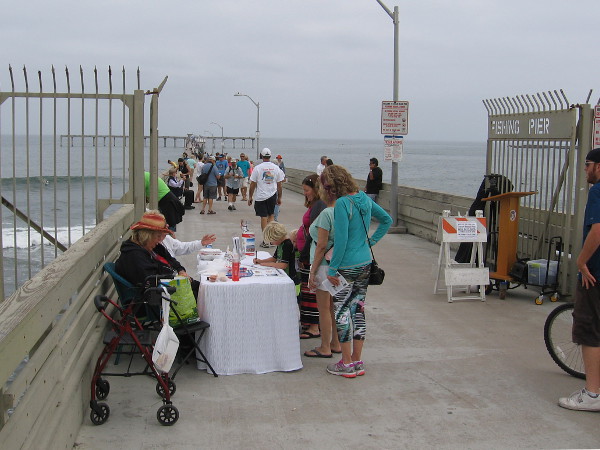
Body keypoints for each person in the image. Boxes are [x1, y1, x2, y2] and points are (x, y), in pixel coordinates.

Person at [321, 165, 392, 377]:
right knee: (358, 310)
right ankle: (358, 361)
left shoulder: (343, 203)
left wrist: (332, 269)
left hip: (346, 266)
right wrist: (371, 241)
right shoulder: (362, 197)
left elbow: (341, 241)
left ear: (333, 185)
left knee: (341, 311)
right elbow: (387, 220)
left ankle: (346, 363)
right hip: (365, 262)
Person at [558, 147, 600, 411]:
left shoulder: (597, 192)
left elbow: (597, 230)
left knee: (589, 331)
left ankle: (592, 395)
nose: (585, 170)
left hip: (594, 275)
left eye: (587, 165)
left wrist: (582, 261)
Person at [115, 211, 199, 318]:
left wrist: (181, 271)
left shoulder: (152, 246)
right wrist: (177, 279)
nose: (160, 240)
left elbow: (172, 260)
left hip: (165, 288)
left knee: (204, 288)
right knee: (203, 295)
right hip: (153, 301)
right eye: (158, 236)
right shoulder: (134, 256)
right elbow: (150, 282)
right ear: (147, 236)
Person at [305, 190, 342, 358]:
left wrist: (312, 272)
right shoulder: (345, 212)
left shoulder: (327, 213)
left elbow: (321, 245)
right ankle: (336, 343)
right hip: (336, 264)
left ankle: (325, 346)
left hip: (323, 265)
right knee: (334, 307)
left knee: (324, 308)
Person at [297, 173, 327, 340]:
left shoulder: (319, 205)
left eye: (307, 190)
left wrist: (303, 255)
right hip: (308, 252)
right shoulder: (316, 204)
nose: (305, 193)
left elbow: (314, 234)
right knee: (308, 291)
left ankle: (314, 327)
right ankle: (312, 324)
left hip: (311, 254)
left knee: (311, 291)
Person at [248, 148, 284, 248]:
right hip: (272, 195)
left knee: (263, 217)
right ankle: (271, 239)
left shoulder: (258, 168)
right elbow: (279, 184)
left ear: (261, 155)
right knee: (271, 216)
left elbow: (253, 184)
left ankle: (265, 240)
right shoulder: (276, 168)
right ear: (270, 156)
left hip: (261, 196)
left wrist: (250, 196)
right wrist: (279, 197)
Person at [274, 154, 286, 221]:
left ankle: (272, 217)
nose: (279, 159)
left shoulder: (281, 164)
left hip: (273, 188)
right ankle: (274, 218)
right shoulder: (278, 169)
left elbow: (284, 171)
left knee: (275, 203)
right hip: (276, 187)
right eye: (278, 158)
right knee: (276, 203)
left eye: (280, 158)